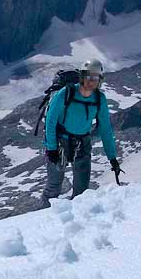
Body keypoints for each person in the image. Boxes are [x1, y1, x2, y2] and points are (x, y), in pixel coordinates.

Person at [41, 59, 121, 207]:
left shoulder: (99, 99)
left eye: (95, 78)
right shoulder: (66, 93)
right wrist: (51, 148)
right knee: (53, 187)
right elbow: (50, 122)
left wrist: (112, 158)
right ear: (82, 77)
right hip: (59, 143)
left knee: (82, 192)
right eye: (88, 76)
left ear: (100, 80)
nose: (91, 81)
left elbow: (105, 129)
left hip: (82, 144)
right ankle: (41, 221)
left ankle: (77, 225)